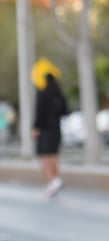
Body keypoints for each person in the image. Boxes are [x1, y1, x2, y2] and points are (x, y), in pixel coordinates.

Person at [31, 58, 68, 197]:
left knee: (42, 155)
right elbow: (65, 110)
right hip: (56, 128)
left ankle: (53, 180)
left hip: (45, 129)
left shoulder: (42, 92)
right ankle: (56, 180)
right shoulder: (59, 93)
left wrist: (35, 128)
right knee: (53, 154)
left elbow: (39, 112)